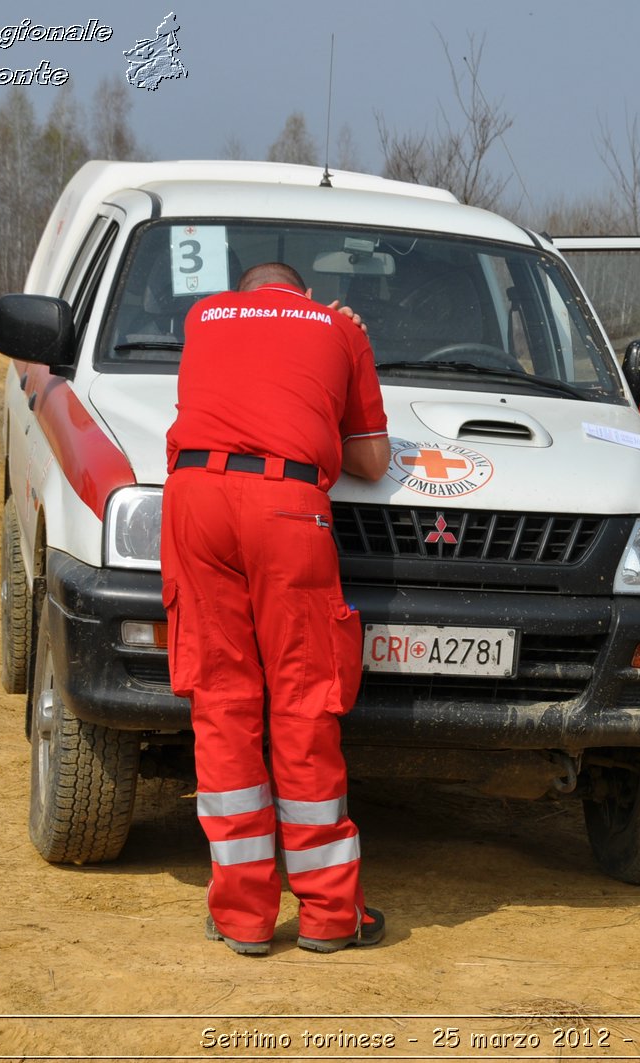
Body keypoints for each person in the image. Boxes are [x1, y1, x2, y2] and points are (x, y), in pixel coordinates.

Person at [160, 261, 391, 956]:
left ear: (249, 290)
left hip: (193, 497)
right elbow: (374, 460)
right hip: (287, 508)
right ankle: (327, 913)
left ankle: (242, 917)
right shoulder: (337, 326)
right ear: (305, 295)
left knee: (221, 700)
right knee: (303, 699)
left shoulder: (204, 316)